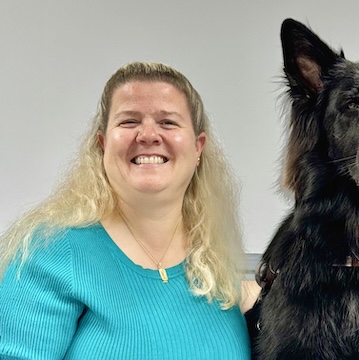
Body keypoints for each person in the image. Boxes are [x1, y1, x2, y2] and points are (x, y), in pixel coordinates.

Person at [0, 62, 260, 359]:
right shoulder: (49, 252)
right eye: (129, 122)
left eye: (168, 122)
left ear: (198, 147)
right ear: (102, 145)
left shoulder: (218, 269)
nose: (148, 135)